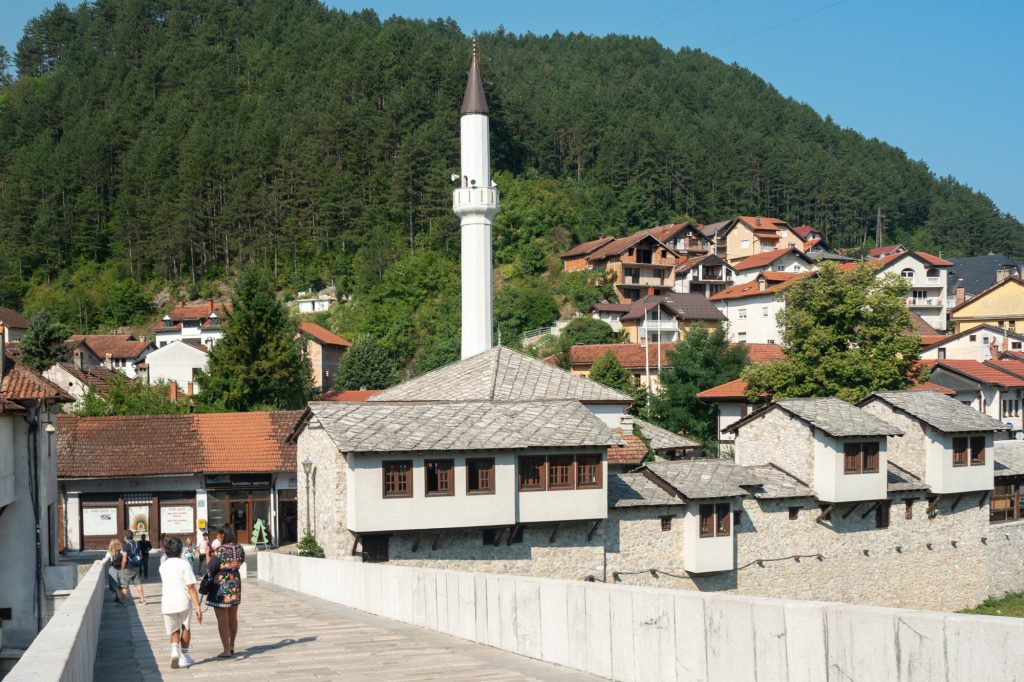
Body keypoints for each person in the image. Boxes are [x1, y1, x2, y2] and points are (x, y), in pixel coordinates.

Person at [159, 537, 202, 669]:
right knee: (185, 627)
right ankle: (184, 656)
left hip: (167, 602)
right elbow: (190, 587)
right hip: (183, 601)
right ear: (180, 550)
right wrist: (197, 607)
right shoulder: (184, 564)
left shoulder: (163, 566)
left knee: (173, 629)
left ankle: (173, 650)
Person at [206, 526, 244, 658]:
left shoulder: (220, 550)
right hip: (235, 584)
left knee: (223, 619)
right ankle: (232, 645)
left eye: (218, 535)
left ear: (223, 535)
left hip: (221, 586)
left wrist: (208, 557)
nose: (217, 537)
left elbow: (210, 567)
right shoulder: (240, 548)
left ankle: (226, 650)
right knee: (233, 617)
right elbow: (240, 562)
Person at [119, 529, 146, 605]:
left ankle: (123, 601)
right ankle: (142, 600)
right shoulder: (137, 543)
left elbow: (124, 559)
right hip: (136, 567)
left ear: (125, 537)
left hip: (128, 567)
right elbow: (140, 556)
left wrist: (122, 569)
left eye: (123, 536)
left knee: (124, 585)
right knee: (138, 583)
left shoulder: (125, 545)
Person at [106, 539, 123, 604]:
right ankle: (118, 597)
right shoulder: (121, 550)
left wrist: (100, 563)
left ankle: (118, 598)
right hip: (120, 568)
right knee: (120, 583)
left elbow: (105, 559)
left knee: (114, 583)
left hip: (112, 568)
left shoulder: (109, 552)